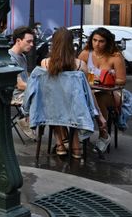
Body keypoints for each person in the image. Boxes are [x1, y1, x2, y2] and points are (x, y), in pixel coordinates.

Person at [40, 27, 104, 158]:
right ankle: (76, 147)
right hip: (76, 109)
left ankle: (60, 145)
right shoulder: (81, 65)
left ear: (54, 43)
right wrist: (99, 114)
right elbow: (88, 91)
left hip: (54, 110)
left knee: (54, 104)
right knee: (72, 107)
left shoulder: (45, 63)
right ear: (71, 44)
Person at [78, 27, 125, 151]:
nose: (97, 44)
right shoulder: (85, 53)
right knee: (81, 96)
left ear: (108, 42)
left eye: (101, 41)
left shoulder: (115, 56)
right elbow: (76, 73)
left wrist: (106, 79)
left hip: (112, 92)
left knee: (99, 97)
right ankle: (80, 132)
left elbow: (122, 80)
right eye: (94, 40)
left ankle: (103, 135)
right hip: (90, 90)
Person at [8, 26, 36, 140]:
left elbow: (25, 78)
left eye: (32, 41)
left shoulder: (22, 56)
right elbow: (19, 84)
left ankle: (28, 119)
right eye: (28, 41)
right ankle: (26, 118)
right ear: (18, 41)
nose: (32, 44)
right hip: (14, 94)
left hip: (23, 91)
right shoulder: (10, 58)